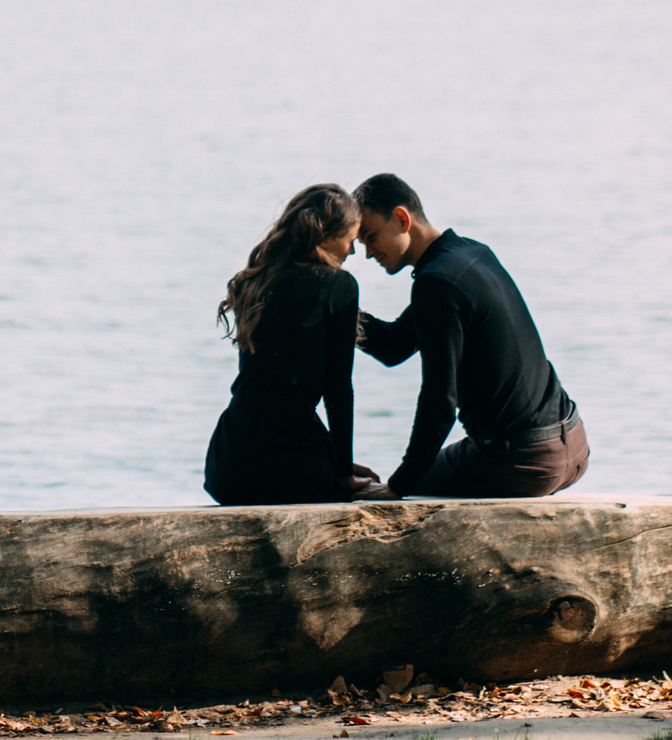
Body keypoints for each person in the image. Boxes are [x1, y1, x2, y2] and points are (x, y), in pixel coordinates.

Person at [350, 173, 588, 499]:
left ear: (402, 219)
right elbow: (395, 346)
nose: (367, 253)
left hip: (523, 462)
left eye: (371, 237)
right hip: (573, 444)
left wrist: (397, 488)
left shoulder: (436, 284)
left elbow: (439, 402)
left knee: (409, 488)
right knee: (421, 471)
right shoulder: (471, 254)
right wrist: (336, 309)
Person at [204, 183, 382, 506]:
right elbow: (338, 389)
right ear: (327, 238)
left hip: (229, 460)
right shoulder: (339, 285)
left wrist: (333, 460)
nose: (352, 252)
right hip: (287, 459)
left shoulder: (257, 279)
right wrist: (343, 471)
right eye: (351, 241)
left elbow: (272, 390)